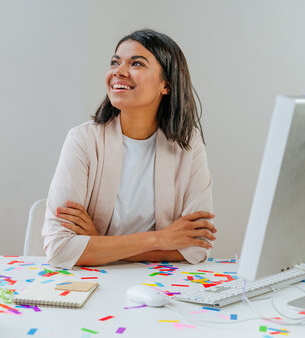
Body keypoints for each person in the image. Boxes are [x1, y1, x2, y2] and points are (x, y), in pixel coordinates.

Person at [42, 29, 216, 269]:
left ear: (166, 84)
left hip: (159, 286)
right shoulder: (82, 140)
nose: (118, 71)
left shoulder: (188, 145)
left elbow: (196, 247)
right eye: (115, 62)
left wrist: (101, 244)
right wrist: (161, 239)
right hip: (92, 284)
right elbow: (59, 249)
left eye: (136, 63)